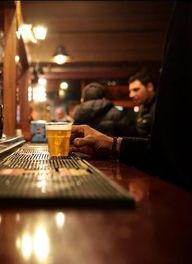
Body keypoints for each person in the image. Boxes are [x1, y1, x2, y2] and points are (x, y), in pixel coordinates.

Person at [71, 2, 192, 192]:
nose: (130, 94)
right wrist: (112, 144)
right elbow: (164, 150)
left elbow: (171, 153)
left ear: (150, 87)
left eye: (136, 90)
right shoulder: (137, 110)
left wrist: (114, 145)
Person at [128, 70, 157, 137]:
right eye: (130, 91)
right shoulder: (143, 107)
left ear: (150, 87)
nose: (131, 95)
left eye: (136, 90)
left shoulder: (162, 108)